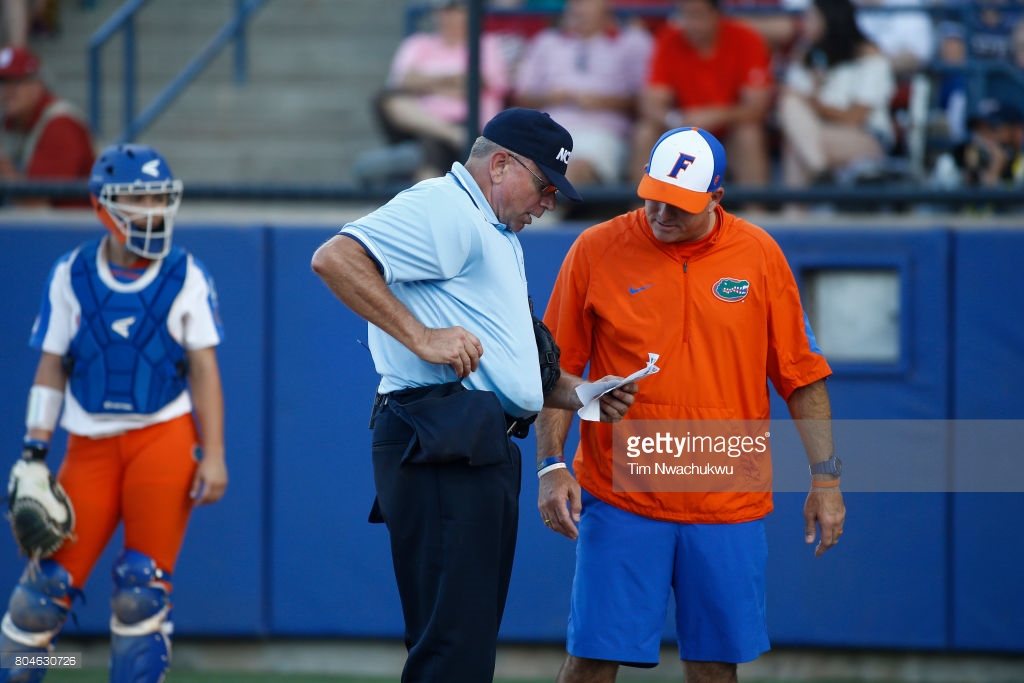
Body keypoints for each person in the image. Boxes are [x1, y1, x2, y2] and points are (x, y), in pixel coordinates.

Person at [310, 107, 637, 683]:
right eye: (544, 185)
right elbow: (336, 258)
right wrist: (420, 335)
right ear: (501, 165)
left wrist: (583, 395)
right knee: (453, 647)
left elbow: (509, 371)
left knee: (461, 640)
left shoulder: (492, 226)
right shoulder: (447, 205)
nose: (548, 203)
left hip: (469, 437)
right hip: (440, 433)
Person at [536, 126, 845, 683]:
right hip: (621, 497)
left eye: (678, 205)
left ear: (717, 198)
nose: (660, 213)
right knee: (589, 663)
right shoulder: (595, 248)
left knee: (713, 671)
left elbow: (801, 376)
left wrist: (825, 480)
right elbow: (558, 372)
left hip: (725, 502)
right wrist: (552, 465)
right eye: (652, 195)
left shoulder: (759, 255)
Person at [0, 143, 228, 683]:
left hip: (164, 439)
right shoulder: (71, 273)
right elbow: (52, 364)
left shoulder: (185, 273)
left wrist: (214, 453)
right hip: (89, 445)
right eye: (137, 197)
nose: (151, 209)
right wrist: (34, 451)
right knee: (40, 599)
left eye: (158, 196)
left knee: (139, 591)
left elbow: (203, 369)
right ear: (103, 205)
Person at [629, 0, 773, 189]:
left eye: (698, 15)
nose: (692, 23)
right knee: (645, 132)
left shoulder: (745, 37)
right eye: (686, 15)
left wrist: (715, 116)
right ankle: (641, 210)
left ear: (716, 15)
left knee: (748, 134)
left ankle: (756, 210)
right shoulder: (669, 39)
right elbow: (651, 102)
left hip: (730, 128)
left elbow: (757, 107)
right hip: (683, 127)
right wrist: (675, 119)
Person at [511, 0, 653, 189]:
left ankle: (544, 216)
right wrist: (550, 98)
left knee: (571, 169)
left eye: (585, 3)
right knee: (521, 168)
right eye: (575, 3)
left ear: (606, 7)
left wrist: (604, 102)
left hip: (601, 132)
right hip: (547, 129)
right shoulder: (546, 42)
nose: (578, 9)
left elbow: (647, 101)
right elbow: (520, 97)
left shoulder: (632, 42)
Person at [367, 0, 510, 183]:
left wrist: (426, 84)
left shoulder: (488, 44)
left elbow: (482, 82)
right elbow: (401, 83)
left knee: (428, 147)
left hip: (471, 125)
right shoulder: (418, 43)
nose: (448, 17)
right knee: (385, 99)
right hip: (423, 126)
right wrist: (454, 82)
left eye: (455, 10)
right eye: (443, 11)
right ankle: (453, 135)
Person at [775, 0, 895, 195]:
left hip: (866, 139)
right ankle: (818, 169)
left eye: (811, 18)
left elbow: (854, 118)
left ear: (830, 21)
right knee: (791, 111)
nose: (804, 24)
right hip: (816, 135)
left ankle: (797, 213)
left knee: (797, 145)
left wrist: (813, 103)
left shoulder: (870, 58)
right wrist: (800, 62)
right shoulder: (808, 56)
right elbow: (789, 101)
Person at [0, 44, 95, 208]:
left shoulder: (60, 124)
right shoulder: (19, 122)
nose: (7, 91)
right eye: (2, 82)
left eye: (15, 82)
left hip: (79, 229)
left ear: (37, 84)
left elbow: (36, 204)